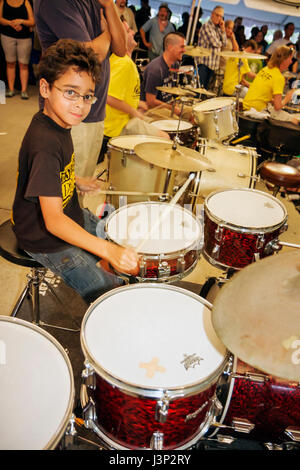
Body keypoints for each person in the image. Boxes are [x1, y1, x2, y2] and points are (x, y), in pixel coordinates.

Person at [12, 39, 139, 305]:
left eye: (87, 95)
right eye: (70, 92)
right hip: (43, 237)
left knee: (115, 233)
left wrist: (76, 181)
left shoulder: (58, 123)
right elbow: (54, 222)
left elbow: (50, 176)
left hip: (70, 213)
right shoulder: (44, 142)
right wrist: (108, 251)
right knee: (108, 290)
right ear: (45, 88)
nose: (80, 105)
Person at [33, 0, 127, 181]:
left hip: (93, 110)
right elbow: (91, 55)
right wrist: (108, 32)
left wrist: (109, 6)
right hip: (69, 115)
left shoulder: (99, 2)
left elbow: (121, 48)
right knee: (64, 190)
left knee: (81, 184)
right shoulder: (55, 3)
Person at [102, 20, 169, 151]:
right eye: (128, 31)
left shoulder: (121, 61)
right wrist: (135, 112)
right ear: (118, 38)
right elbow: (109, 97)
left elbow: (118, 93)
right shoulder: (123, 63)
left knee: (157, 122)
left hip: (123, 119)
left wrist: (138, 104)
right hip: (118, 126)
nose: (133, 32)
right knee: (164, 137)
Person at [243, 45, 299, 125]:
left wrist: (274, 101)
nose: (291, 62)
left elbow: (261, 93)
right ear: (284, 60)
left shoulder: (265, 69)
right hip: (257, 110)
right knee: (295, 120)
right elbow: (278, 106)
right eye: (290, 58)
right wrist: (287, 98)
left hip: (247, 105)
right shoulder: (279, 77)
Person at [140, 31, 185, 116]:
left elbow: (173, 91)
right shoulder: (156, 69)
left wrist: (175, 105)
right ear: (170, 47)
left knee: (194, 113)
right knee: (178, 123)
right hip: (152, 110)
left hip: (167, 106)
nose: (184, 50)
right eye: (181, 47)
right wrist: (171, 108)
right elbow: (150, 102)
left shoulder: (175, 64)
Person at [0, 0, 35, 99]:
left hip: (24, 37)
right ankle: (11, 89)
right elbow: (0, 19)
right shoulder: (4, 2)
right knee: (10, 63)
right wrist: (11, 23)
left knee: (23, 64)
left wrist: (21, 21)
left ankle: (24, 91)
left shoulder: (26, 2)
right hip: (7, 36)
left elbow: (32, 22)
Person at [197, 5, 226, 89]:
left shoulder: (218, 28)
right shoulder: (206, 26)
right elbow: (215, 43)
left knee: (206, 92)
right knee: (200, 90)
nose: (219, 18)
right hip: (204, 64)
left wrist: (223, 30)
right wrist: (220, 42)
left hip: (213, 65)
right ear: (212, 14)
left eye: (221, 16)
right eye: (217, 15)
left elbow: (224, 43)